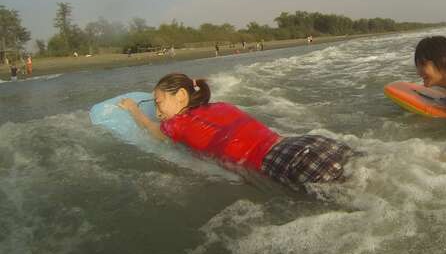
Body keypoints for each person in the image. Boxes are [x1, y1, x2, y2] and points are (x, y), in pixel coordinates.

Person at [119, 73, 357, 193]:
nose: (157, 112)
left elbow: (151, 129)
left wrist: (133, 110)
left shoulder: (176, 125)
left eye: (158, 103)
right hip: (308, 142)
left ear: (181, 96)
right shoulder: (220, 106)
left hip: (284, 162)